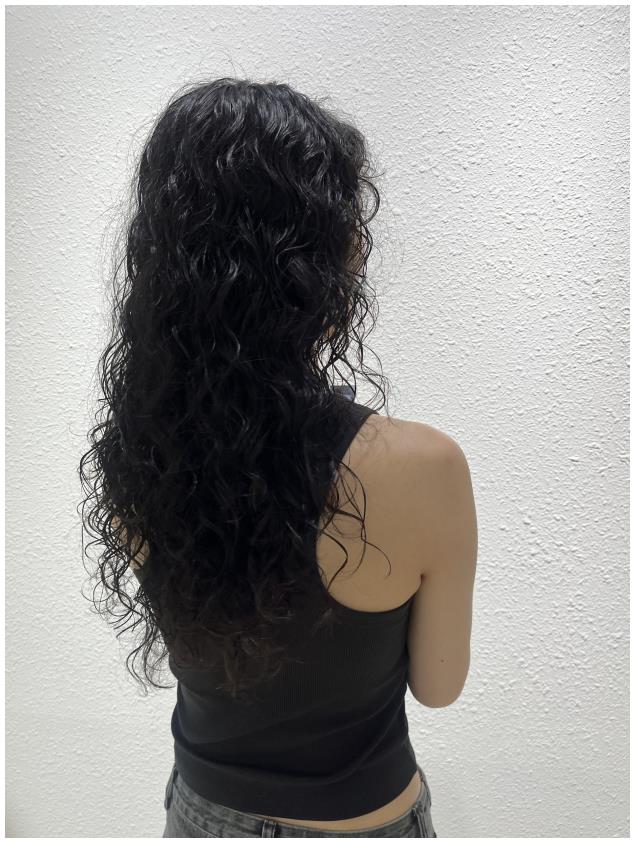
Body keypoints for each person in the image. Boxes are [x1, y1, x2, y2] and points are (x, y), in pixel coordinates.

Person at [79, 77, 478, 838]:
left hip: (199, 812)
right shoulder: (420, 467)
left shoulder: (138, 455)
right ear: (314, 262)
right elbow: (438, 685)